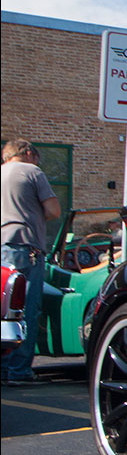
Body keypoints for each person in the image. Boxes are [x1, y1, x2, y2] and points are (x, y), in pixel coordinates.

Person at [2, 139, 61, 385]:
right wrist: (36, 215)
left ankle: (3, 368)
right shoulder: (32, 171)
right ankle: (18, 371)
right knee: (24, 309)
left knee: (3, 310)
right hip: (24, 246)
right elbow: (54, 210)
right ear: (28, 153)